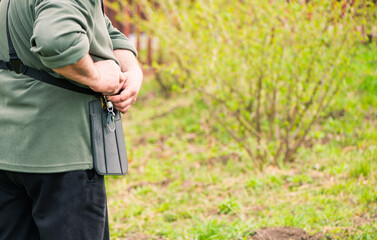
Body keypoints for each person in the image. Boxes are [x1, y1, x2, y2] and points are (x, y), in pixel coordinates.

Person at [0, 0, 143, 238]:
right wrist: (96, 76)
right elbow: (56, 40)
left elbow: (98, 26)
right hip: (62, 155)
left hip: (8, 152)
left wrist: (132, 70)